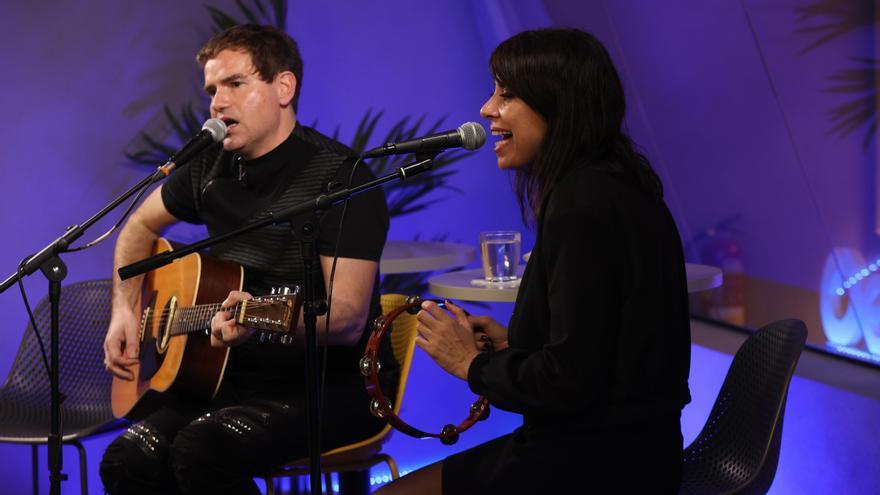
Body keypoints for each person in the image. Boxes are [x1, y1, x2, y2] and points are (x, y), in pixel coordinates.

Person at [377, 28, 691, 494]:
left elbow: (571, 384)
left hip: (597, 463)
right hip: (630, 449)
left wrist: (470, 364)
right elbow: (605, 347)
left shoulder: (581, 205)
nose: (486, 109)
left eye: (506, 93)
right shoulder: (611, 185)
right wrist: (514, 345)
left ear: (557, 103)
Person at [99, 24, 394, 494]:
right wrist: (124, 313)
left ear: (283, 87)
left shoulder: (342, 179)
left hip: (330, 388)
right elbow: (138, 226)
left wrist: (260, 321)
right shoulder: (208, 167)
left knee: (200, 452)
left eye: (235, 84)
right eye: (212, 90)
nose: (217, 103)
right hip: (231, 381)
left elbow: (346, 320)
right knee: (126, 459)